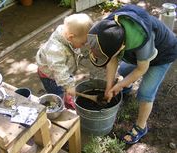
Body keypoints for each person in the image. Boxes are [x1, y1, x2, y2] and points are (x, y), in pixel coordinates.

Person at [87, 4, 177, 144]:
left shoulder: (141, 39)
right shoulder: (109, 30)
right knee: (123, 72)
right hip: (138, 53)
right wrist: (109, 87)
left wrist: (120, 85)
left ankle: (141, 127)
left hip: (163, 54)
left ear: (121, 47)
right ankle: (125, 90)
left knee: (146, 92)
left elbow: (141, 69)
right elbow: (112, 60)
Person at [36, 13, 93, 109]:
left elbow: (63, 71)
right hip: (51, 76)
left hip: (64, 68)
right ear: (71, 37)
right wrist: (68, 86)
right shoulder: (55, 50)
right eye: (83, 43)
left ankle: (67, 95)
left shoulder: (68, 35)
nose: (84, 45)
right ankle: (58, 106)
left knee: (66, 82)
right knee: (57, 93)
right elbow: (58, 69)